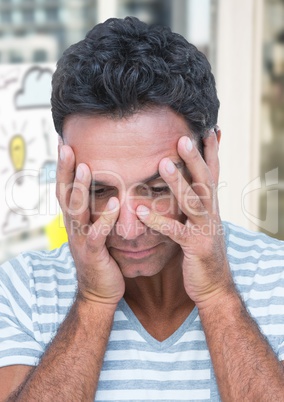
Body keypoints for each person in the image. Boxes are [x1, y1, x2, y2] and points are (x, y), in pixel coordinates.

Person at [0, 16, 284, 402]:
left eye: (157, 188)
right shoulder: (23, 290)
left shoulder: (278, 280)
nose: (129, 228)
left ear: (210, 157)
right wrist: (93, 302)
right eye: (99, 189)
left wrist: (218, 294)